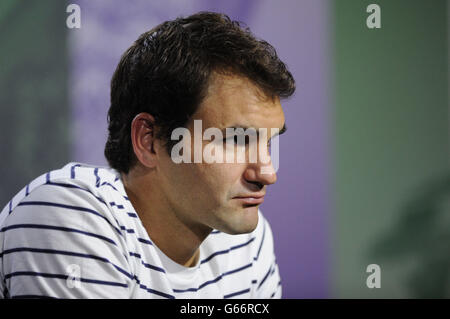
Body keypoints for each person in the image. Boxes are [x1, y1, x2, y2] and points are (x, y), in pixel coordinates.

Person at [0, 11, 295, 299]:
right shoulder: (68, 216)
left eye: (268, 143)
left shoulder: (246, 242)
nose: (267, 173)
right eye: (236, 140)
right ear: (149, 140)